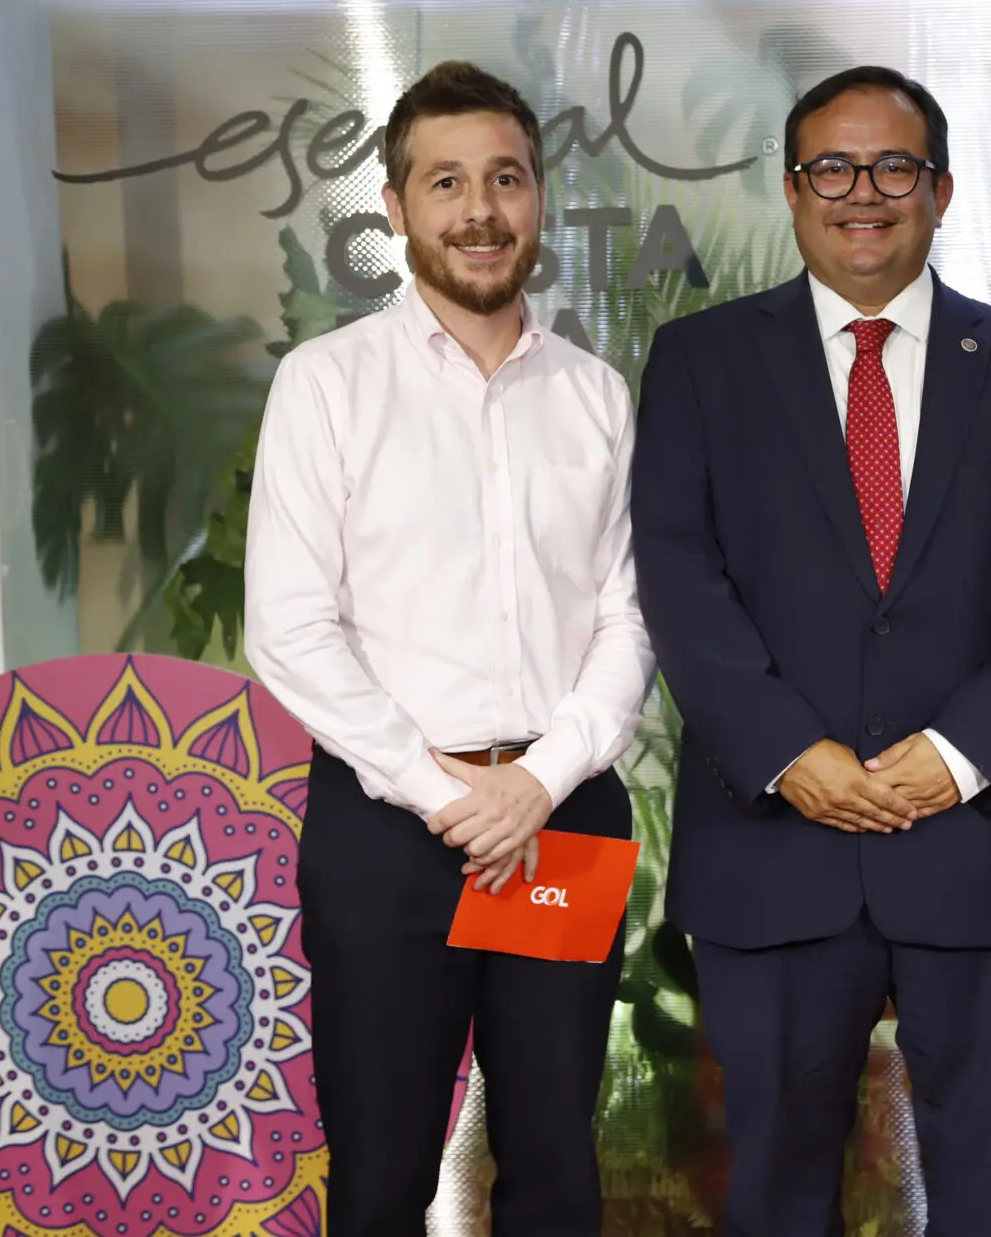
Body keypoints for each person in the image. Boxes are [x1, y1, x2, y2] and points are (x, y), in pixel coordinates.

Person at [631, 65, 991, 1237]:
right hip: (774, 844)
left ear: (939, 190)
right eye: (830, 169)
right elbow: (678, 576)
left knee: (990, 1189)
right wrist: (788, 749)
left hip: (972, 842)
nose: (863, 193)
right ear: (791, 194)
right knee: (779, 1187)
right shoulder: (701, 364)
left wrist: (958, 754)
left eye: (893, 166)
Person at [243, 60, 653, 1237]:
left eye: (505, 179)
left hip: (557, 818)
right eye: (446, 181)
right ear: (398, 201)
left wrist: (533, 781)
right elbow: (290, 626)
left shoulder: (593, 396)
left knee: (551, 1169)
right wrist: (444, 793)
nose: (480, 209)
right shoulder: (326, 384)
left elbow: (629, 615)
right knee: (379, 1176)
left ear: (538, 198)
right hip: (388, 833)